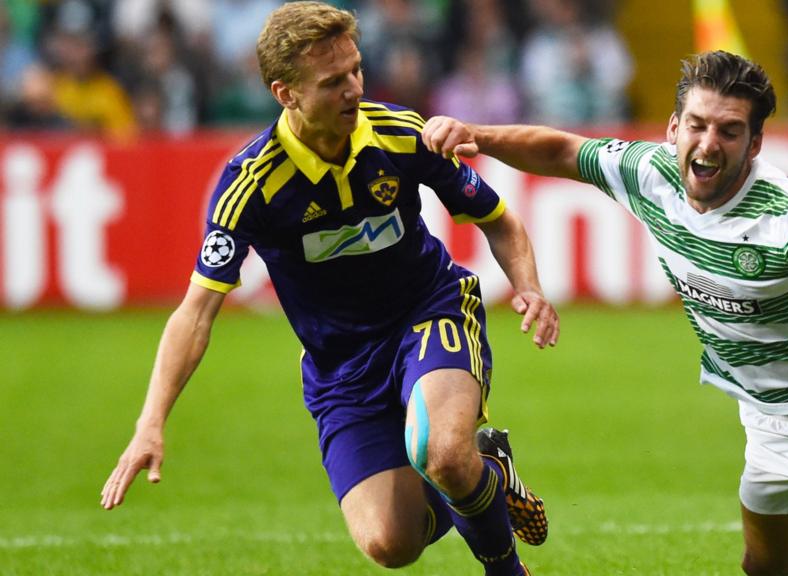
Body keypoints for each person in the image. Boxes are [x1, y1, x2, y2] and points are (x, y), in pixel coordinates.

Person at [422, 50, 788, 575]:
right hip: (774, 423)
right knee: (766, 567)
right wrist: (480, 134)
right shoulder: (648, 173)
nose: (708, 144)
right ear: (673, 127)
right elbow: (561, 149)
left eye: (730, 131)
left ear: (755, 143)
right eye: (697, 126)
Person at [100, 4, 556, 576]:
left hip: (428, 310)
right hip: (339, 362)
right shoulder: (252, 184)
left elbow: (499, 218)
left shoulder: (400, 133)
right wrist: (151, 423)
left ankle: (505, 567)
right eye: (333, 81)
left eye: (356, 71)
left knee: (440, 452)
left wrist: (529, 287)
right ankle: (485, 469)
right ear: (284, 92)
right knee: (392, 544)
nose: (354, 90)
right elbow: (196, 313)